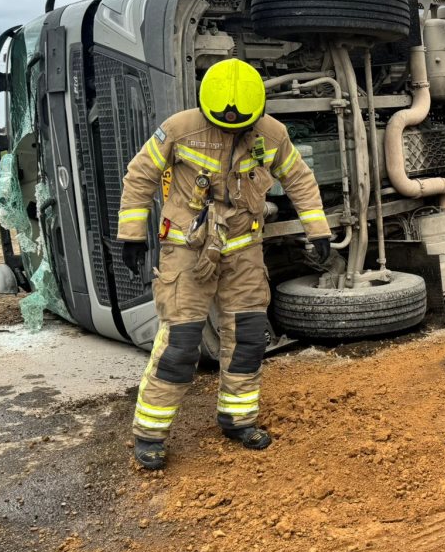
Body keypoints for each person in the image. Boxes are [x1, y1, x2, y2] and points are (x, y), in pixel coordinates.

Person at [117, 58, 333, 470]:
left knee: (249, 335)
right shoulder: (180, 129)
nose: (232, 130)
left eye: (241, 125)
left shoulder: (271, 134)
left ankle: (237, 419)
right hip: (187, 250)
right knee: (180, 343)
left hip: (244, 248)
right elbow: (140, 176)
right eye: (224, 124)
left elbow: (299, 179)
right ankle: (150, 433)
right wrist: (130, 236)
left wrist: (317, 228)